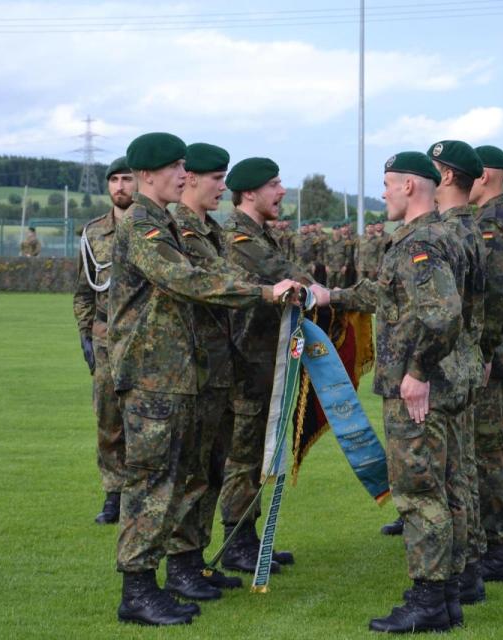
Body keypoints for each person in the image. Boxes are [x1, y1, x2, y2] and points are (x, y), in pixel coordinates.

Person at [108, 133, 299, 626]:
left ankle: (182, 569)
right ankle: (137, 590)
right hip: (154, 375)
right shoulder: (142, 226)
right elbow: (187, 280)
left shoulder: (166, 224)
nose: (183, 175)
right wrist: (264, 292)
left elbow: (208, 274)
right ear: (147, 175)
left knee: (184, 477)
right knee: (152, 482)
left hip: (181, 372)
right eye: (175, 168)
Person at [311, 151, 467, 633]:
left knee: (418, 491)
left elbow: (443, 314)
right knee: (444, 487)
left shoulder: (422, 243)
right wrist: (332, 296)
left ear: (409, 187)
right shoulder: (436, 234)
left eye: (386, 185)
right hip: (434, 382)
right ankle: (446, 597)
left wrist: (417, 371)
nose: (382, 194)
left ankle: (428, 598)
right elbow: (386, 294)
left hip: (417, 387)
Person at [218, 157, 313, 575]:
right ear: (249, 192)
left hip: (264, 360)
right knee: (244, 456)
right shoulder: (239, 238)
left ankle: (248, 538)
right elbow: (287, 275)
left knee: (258, 451)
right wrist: (325, 292)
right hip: (245, 362)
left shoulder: (261, 234)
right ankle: (236, 541)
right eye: (274, 184)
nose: (282, 191)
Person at [166, 142, 252, 599]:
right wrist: (267, 292)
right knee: (192, 471)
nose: (224, 186)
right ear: (191, 179)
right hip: (192, 368)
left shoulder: (211, 230)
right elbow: (213, 285)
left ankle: (196, 560)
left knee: (214, 468)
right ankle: (181, 564)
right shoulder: (179, 231)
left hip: (219, 365)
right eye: (217, 178)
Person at [428, 139, 486, 605]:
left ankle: (457, 572)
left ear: (446, 176)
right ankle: (469, 571)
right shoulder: (471, 228)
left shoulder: (448, 232)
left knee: (447, 476)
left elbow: (445, 313)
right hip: (465, 362)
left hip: (444, 368)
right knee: (462, 471)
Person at [469, 144, 503, 583]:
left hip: (489, 358)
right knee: (475, 448)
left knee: (487, 451)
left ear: (484, 176)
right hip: (486, 354)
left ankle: (496, 548)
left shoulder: (493, 225)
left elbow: (501, 296)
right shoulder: (486, 219)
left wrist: (483, 352)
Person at [73, 156, 134, 525]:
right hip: (105, 339)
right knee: (109, 420)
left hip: (146, 341)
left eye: (127, 179)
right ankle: (114, 495)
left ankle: (143, 495)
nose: (120, 187)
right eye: (114, 180)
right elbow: (84, 290)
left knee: (148, 421)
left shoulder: (156, 229)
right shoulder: (93, 233)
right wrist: (84, 333)